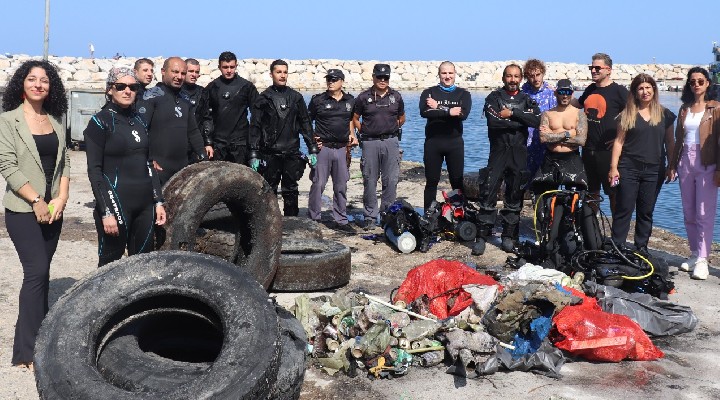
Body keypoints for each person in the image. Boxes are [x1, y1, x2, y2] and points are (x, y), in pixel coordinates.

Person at [0, 60, 70, 371]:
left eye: (44, 80)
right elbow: (8, 167)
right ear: (22, 84)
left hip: (54, 210)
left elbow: (65, 163)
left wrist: (63, 197)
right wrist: (37, 200)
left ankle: (41, 338)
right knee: (36, 271)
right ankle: (25, 352)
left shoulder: (56, 120)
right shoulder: (8, 121)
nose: (38, 84)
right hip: (23, 209)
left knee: (42, 275)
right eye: (32, 79)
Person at [84, 67, 167, 267]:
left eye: (132, 87)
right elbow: (94, 171)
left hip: (145, 205)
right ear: (110, 90)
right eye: (120, 86)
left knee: (141, 264)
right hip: (116, 203)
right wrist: (106, 212)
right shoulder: (99, 122)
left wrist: (158, 201)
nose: (127, 91)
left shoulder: (139, 120)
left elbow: (149, 163)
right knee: (109, 265)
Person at [475, 63, 540, 254]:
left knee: (515, 194)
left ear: (521, 79)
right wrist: (520, 121)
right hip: (498, 151)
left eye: (516, 76)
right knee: (488, 191)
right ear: (503, 78)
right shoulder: (494, 97)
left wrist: (512, 114)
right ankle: (481, 236)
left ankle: (508, 236)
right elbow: (494, 122)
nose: (512, 80)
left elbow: (537, 121)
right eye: (509, 76)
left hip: (518, 153)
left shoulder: (526, 99)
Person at [608, 73, 675, 257]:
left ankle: (641, 248)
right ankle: (618, 246)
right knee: (624, 208)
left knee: (646, 211)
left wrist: (671, 165)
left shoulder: (665, 114)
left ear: (654, 89)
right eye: (640, 88)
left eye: (648, 88)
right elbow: (619, 142)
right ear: (635, 92)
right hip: (628, 168)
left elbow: (670, 142)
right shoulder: (627, 114)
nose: (645, 92)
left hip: (654, 170)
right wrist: (613, 167)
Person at [667, 67, 720, 280]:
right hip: (684, 162)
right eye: (692, 82)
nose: (696, 85)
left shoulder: (715, 108)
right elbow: (678, 140)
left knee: (704, 212)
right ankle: (694, 252)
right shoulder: (684, 109)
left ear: (708, 83)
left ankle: (703, 260)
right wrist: (672, 165)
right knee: (689, 211)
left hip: (707, 161)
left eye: (700, 81)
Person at [249, 59, 318, 216]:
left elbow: (305, 124)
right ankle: (269, 223)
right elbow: (255, 127)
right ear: (271, 74)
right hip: (270, 153)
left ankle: (291, 222)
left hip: (291, 152)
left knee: (291, 190)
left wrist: (312, 148)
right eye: (278, 72)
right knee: (268, 190)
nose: (282, 75)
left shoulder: (296, 98)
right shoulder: (263, 98)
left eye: (285, 72)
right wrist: (253, 153)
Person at [136, 57, 209, 185]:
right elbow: (139, 130)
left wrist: (203, 157)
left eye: (183, 73)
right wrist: (148, 158)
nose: (179, 77)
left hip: (182, 168)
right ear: (163, 71)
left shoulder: (185, 99)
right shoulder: (151, 96)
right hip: (158, 168)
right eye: (175, 72)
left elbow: (193, 131)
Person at [352, 63, 406, 229]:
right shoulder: (363, 97)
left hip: (391, 141)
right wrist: (365, 132)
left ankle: (386, 214)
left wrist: (390, 129)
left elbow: (402, 118)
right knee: (369, 179)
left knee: (391, 180)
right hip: (369, 143)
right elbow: (354, 118)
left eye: (386, 77)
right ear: (373, 77)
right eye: (379, 77)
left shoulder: (396, 96)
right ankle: (369, 216)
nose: (383, 80)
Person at [575, 53, 629, 212]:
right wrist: (558, 95)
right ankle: (592, 232)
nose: (593, 71)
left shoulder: (619, 91)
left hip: (609, 153)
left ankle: (616, 234)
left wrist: (622, 139)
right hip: (588, 150)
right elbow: (576, 104)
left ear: (609, 70)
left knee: (614, 193)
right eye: (591, 67)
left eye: (597, 68)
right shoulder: (590, 89)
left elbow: (635, 115)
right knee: (591, 193)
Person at [307, 68, 357, 232]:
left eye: (334, 79)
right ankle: (314, 218)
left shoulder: (350, 101)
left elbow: (351, 120)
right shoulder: (318, 100)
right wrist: (313, 141)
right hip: (324, 149)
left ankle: (341, 219)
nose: (330, 81)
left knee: (341, 185)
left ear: (342, 82)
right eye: (328, 79)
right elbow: (306, 123)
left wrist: (352, 135)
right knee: (318, 184)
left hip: (342, 149)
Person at [419, 61, 472, 210]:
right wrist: (449, 112)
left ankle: (460, 214)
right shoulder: (428, 93)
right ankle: (428, 215)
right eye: (444, 73)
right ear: (439, 74)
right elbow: (424, 112)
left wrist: (439, 108)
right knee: (431, 181)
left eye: (450, 73)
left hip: (454, 144)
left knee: (457, 181)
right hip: (433, 143)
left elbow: (462, 115)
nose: (447, 76)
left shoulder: (464, 94)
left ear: (455, 74)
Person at [199, 51, 258, 164]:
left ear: (236, 66)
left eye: (232, 67)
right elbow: (206, 117)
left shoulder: (247, 87)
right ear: (219, 67)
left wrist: (254, 146)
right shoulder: (212, 87)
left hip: (240, 144)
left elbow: (257, 116)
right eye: (225, 67)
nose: (229, 70)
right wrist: (208, 142)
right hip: (218, 144)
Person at [532, 79, 588, 194]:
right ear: (556, 93)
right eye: (562, 92)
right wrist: (568, 134)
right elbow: (543, 138)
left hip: (572, 158)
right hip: (551, 158)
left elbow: (581, 140)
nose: (565, 96)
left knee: (575, 198)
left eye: (568, 92)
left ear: (572, 94)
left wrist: (552, 136)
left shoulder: (579, 114)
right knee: (545, 195)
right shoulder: (547, 114)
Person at [522, 59, 557, 180]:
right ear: (527, 77)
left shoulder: (551, 93)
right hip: (526, 142)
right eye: (531, 76)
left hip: (546, 142)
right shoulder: (523, 93)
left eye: (538, 75)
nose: (536, 79)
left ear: (543, 74)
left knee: (545, 178)